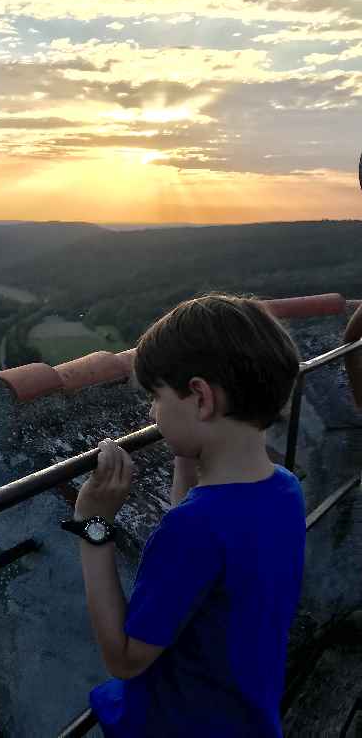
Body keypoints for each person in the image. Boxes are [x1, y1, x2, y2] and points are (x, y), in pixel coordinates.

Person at [66, 292, 305, 737]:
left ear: (200, 397)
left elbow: (125, 659)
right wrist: (189, 447)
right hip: (245, 716)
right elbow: (202, 549)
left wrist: (93, 525)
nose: (152, 414)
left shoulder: (195, 528)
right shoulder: (284, 489)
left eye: (156, 397)